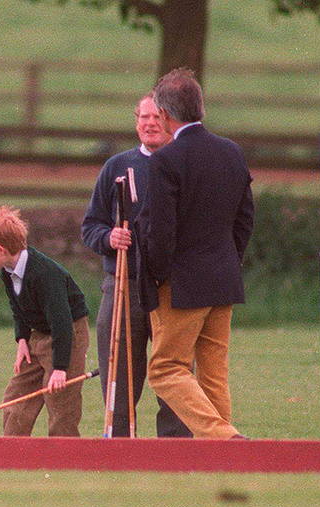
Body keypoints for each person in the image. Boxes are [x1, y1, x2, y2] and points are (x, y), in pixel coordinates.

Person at [136, 68, 254, 439]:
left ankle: (224, 438)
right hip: (223, 278)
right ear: (199, 107)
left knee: (165, 369)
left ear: (167, 116)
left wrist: (155, 275)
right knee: (213, 374)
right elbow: (245, 218)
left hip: (181, 285)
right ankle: (224, 455)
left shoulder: (165, 161)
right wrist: (228, 260)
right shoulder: (232, 151)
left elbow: (161, 231)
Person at [82, 94, 192, 438]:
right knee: (119, 370)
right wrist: (109, 237)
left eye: (157, 117)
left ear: (171, 121)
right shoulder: (116, 167)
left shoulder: (185, 164)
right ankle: (118, 443)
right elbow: (91, 226)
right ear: (136, 122)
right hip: (123, 284)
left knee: (174, 371)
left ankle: (175, 448)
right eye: (143, 117)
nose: (149, 123)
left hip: (171, 287)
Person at [0, 206, 90, 436]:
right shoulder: (7, 270)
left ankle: (64, 459)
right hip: (38, 334)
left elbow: (62, 322)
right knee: (15, 397)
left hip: (68, 335)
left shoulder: (46, 274)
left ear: (1, 249)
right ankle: (13, 455)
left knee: (59, 401)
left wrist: (60, 368)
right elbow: (18, 308)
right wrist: (22, 339)